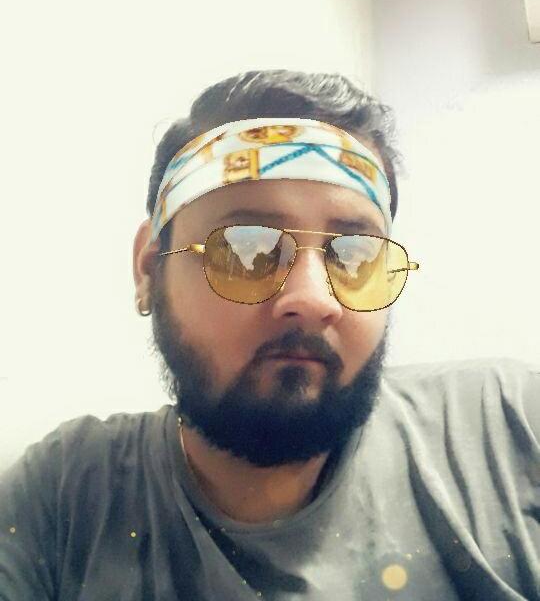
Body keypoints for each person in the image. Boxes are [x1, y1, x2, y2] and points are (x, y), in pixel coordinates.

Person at [0, 70, 538, 600]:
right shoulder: (64, 502)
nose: (315, 299)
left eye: (353, 254)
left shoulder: (508, 427)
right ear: (148, 269)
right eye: (245, 249)